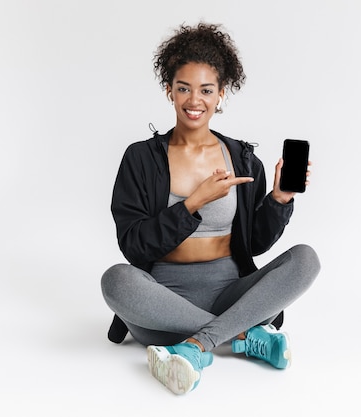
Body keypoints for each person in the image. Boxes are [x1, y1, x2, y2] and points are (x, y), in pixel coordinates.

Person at [100, 22, 321, 395]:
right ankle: (244, 335)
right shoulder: (141, 158)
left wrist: (280, 199)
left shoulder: (243, 159)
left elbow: (256, 244)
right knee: (115, 279)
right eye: (183, 88)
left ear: (221, 95)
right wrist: (193, 204)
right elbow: (133, 245)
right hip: (161, 303)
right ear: (169, 91)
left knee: (306, 258)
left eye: (206, 90)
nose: (194, 100)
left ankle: (196, 346)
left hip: (232, 293)